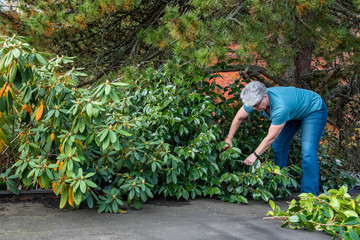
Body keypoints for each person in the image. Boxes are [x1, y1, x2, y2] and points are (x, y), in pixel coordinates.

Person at [224, 81, 328, 195]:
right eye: (251, 105)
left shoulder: (281, 106)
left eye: (256, 105)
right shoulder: (254, 100)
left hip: (313, 110)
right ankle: (278, 188)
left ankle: (310, 195)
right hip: (293, 110)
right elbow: (239, 118)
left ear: (265, 97)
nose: (253, 108)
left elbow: (270, 137)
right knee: (277, 146)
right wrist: (229, 138)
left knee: (308, 152)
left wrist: (254, 155)